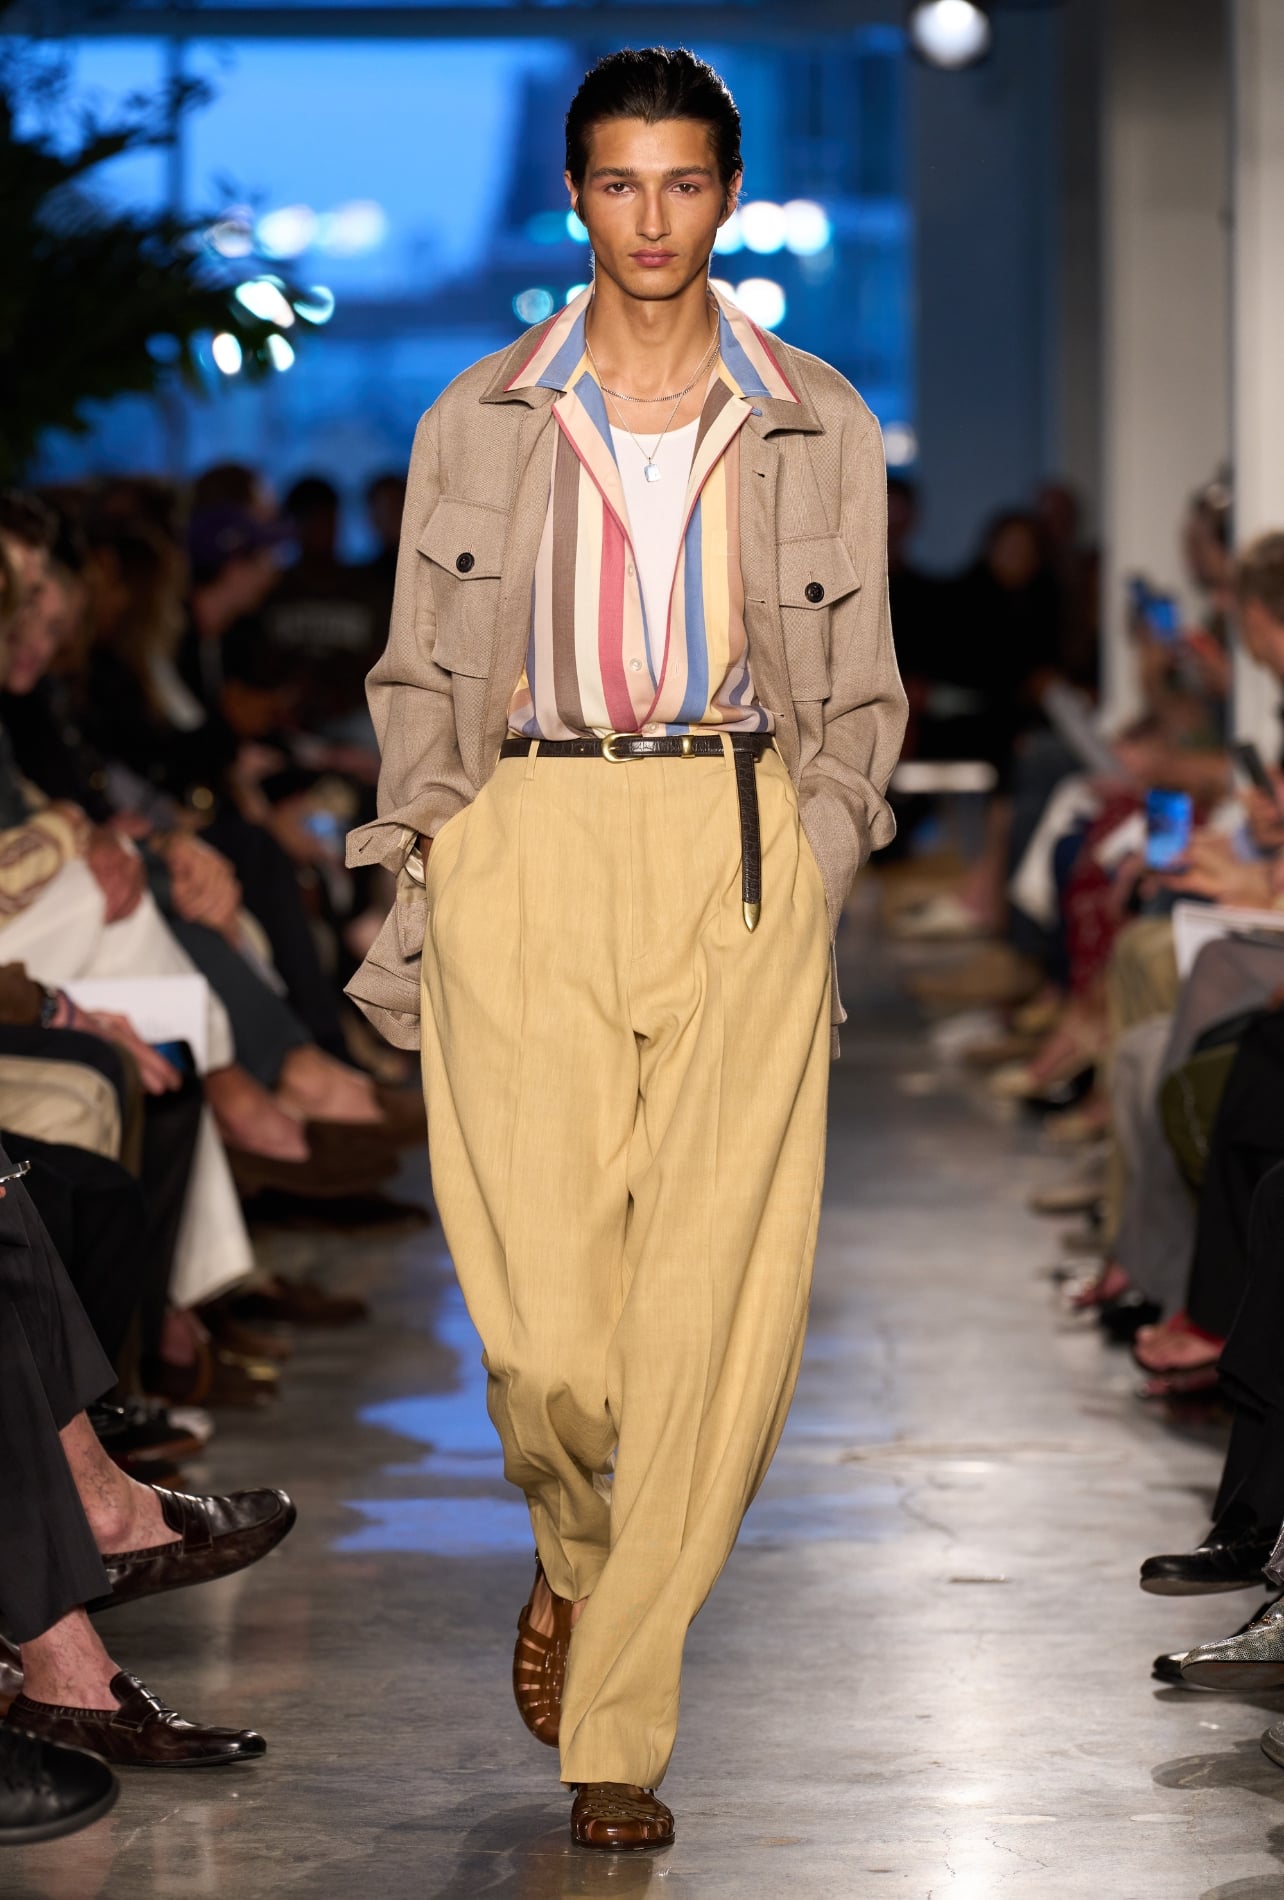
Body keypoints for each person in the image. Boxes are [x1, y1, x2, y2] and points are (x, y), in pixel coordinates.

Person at [347, 46, 906, 1851]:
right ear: (576, 195)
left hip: (735, 841)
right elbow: (416, 672)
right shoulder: (476, 417)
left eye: (682, 182)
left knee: (709, 1314)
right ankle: (581, 1550)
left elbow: (862, 690)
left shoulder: (817, 416)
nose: (650, 218)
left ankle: (620, 1725)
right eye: (617, 182)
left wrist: (815, 860)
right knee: (547, 1337)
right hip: (524, 835)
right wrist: (435, 850)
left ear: (726, 194)